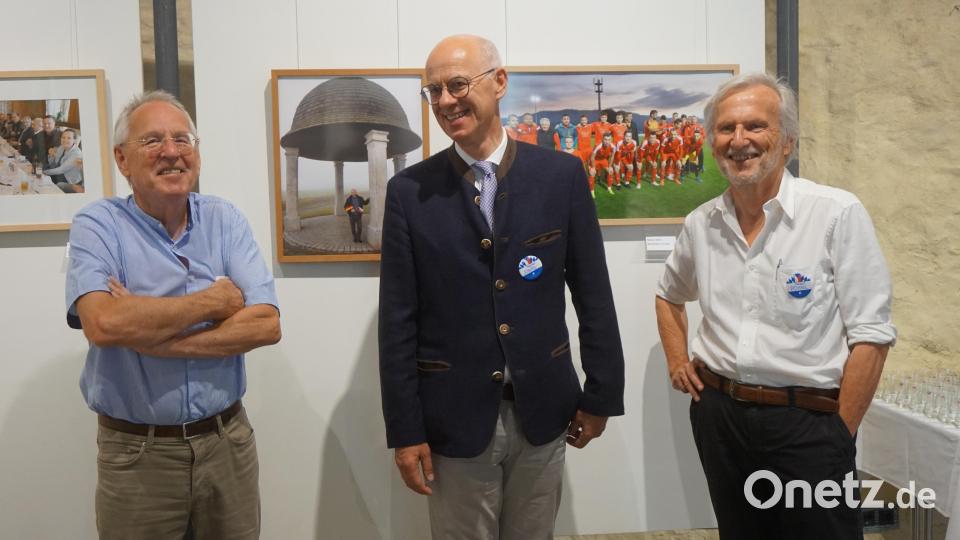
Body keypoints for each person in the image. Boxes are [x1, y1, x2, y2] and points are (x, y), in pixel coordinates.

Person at [380, 34, 624, 540]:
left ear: (500, 82)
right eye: (434, 92)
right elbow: (397, 319)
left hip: (545, 411)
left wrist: (602, 393)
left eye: (458, 84)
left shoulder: (561, 176)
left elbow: (593, 293)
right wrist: (405, 431)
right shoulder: (409, 192)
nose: (446, 101)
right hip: (453, 418)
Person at [655, 73, 896, 540]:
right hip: (721, 418)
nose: (739, 140)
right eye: (726, 129)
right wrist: (677, 358)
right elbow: (668, 294)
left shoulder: (835, 213)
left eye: (755, 127)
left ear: (787, 141)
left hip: (810, 423)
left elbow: (872, 335)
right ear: (712, 143)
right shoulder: (701, 223)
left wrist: (838, 437)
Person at [64, 90, 281, 539]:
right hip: (137, 454)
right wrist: (215, 303)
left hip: (228, 444)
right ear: (122, 160)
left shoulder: (226, 220)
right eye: (153, 141)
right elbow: (103, 323)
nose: (171, 152)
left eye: (183, 139)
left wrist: (152, 337)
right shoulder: (97, 226)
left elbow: (266, 324)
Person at [44, 128, 84, 193]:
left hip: (68, 180)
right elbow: (53, 163)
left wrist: (44, 172)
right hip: (58, 175)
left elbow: (61, 170)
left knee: (50, 186)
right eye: (63, 137)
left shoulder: (76, 154)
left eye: (69, 138)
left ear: (74, 140)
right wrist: (51, 155)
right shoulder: (61, 147)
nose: (65, 140)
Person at [589, 132, 617, 196]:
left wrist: (610, 166)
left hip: (603, 160)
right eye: (605, 139)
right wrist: (593, 167)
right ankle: (592, 191)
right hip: (595, 160)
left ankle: (609, 188)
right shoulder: (598, 145)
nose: (607, 141)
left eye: (609, 140)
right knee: (592, 173)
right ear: (602, 139)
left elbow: (612, 156)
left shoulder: (613, 146)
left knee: (610, 171)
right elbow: (592, 157)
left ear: (611, 140)